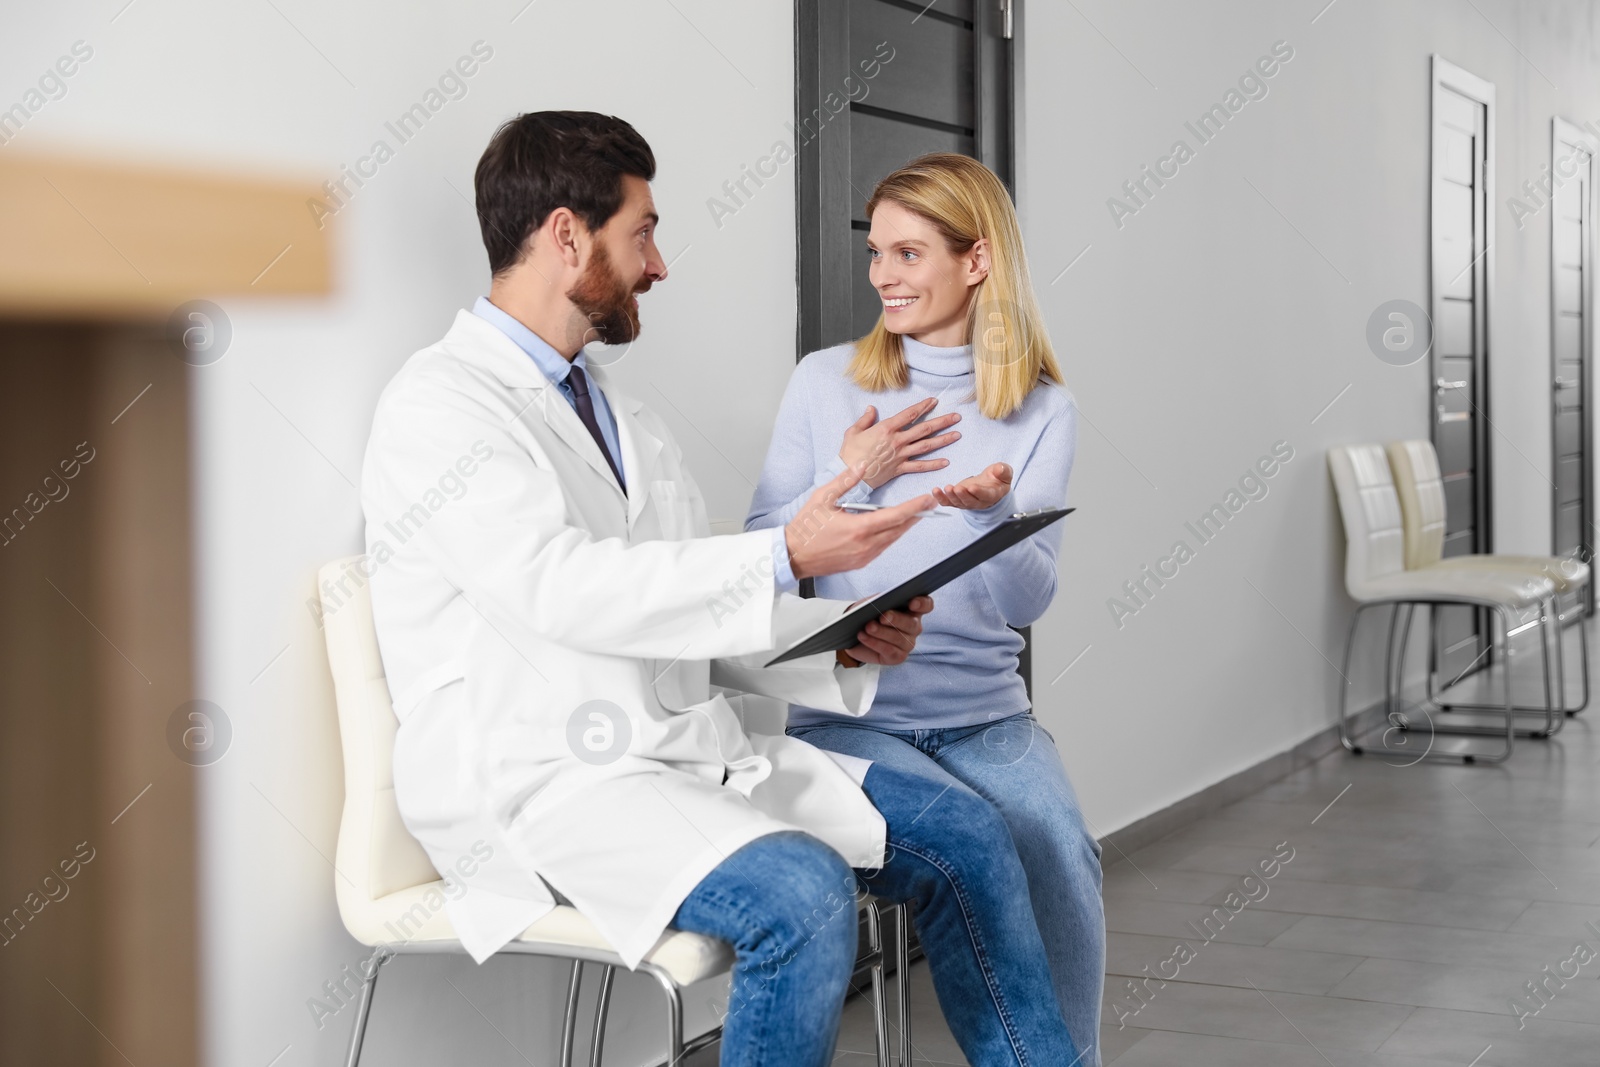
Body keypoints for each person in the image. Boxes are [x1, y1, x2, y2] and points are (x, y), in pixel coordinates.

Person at [361, 114, 1077, 1066]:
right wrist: (787, 549)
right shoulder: (440, 405)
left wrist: (838, 641)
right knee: (808, 898)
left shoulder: (622, 415)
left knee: (973, 836)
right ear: (568, 235)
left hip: (677, 756)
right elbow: (564, 590)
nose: (660, 266)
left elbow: (679, 614)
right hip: (541, 778)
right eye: (643, 233)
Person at [747, 152, 1105, 1064]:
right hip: (848, 716)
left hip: (985, 713)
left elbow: (1031, 603)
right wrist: (852, 480)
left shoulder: (1041, 410)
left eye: (908, 255)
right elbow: (762, 551)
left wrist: (996, 514)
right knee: (979, 844)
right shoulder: (825, 381)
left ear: (976, 260)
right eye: (877, 254)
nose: (882, 276)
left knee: (1062, 851)